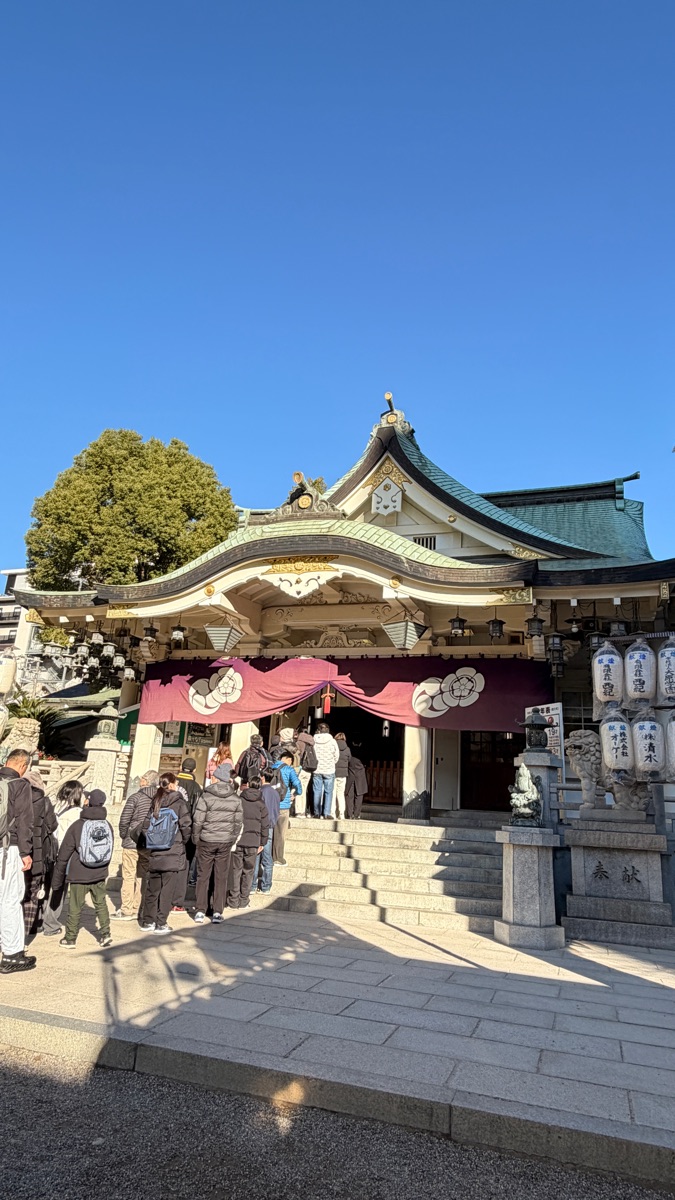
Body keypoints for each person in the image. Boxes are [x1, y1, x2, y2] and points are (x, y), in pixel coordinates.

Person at [51, 788, 114, 948]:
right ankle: (105, 934)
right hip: (99, 871)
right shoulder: (106, 825)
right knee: (101, 903)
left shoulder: (78, 825)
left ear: (89, 801)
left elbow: (64, 853)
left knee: (75, 906)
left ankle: (70, 938)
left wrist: (57, 879)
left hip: (79, 872)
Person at [139, 773, 191, 934]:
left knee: (152, 888)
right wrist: (183, 840)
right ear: (173, 784)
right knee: (167, 889)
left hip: (155, 851)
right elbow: (186, 825)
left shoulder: (156, 801)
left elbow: (145, 826)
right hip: (173, 851)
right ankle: (161, 923)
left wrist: (152, 841)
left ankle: (148, 921)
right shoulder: (179, 802)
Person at [0, 748, 36, 973]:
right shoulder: (20, 785)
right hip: (8, 848)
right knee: (10, 899)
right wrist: (26, 852)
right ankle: (12, 954)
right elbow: (25, 822)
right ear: (23, 766)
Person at [192, 765, 243, 924]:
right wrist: (232, 839)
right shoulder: (235, 798)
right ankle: (217, 911)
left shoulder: (206, 796)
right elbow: (238, 823)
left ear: (216, 778)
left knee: (203, 875)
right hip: (225, 841)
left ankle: (200, 910)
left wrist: (196, 838)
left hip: (206, 839)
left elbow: (198, 820)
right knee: (221, 877)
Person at [112, 769, 159, 921]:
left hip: (131, 842)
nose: (140, 780)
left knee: (128, 876)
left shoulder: (136, 797)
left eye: (143, 778)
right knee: (141, 876)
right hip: (148, 842)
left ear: (146, 781)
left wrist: (124, 835)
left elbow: (125, 820)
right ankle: (137, 906)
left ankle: (126, 909)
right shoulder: (160, 799)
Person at [42, 779, 84, 937]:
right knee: (59, 889)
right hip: (64, 854)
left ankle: (40, 919)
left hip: (49, 851)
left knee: (46, 886)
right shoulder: (77, 813)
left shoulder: (54, 805)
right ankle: (51, 924)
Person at [22, 771, 57, 938]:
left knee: (13, 895)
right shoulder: (45, 802)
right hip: (38, 856)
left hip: (17, 855)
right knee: (32, 896)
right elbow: (53, 825)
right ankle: (25, 934)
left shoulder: (16, 797)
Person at [227, 776, 269, 910]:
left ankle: (233, 900)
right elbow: (265, 825)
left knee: (236, 870)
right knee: (248, 871)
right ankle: (244, 900)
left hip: (238, 840)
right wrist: (263, 841)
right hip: (253, 841)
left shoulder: (239, 800)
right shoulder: (261, 804)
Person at [174, 758, 203, 912]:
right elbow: (198, 812)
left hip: (169, 831)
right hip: (188, 830)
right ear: (193, 770)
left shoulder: (171, 783)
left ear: (181, 767)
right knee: (185, 865)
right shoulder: (197, 788)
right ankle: (178, 901)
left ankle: (164, 897)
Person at [252, 769, 280, 894]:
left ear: (262, 777)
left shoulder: (260, 792)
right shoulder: (275, 793)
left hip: (259, 826)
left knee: (256, 856)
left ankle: (252, 885)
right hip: (270, 826)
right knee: (268, 859)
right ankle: (266, 886)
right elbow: (276, 811)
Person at [272, 751, 302, 865]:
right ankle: (278, 857)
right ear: (289, 760)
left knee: (270, 832)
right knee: (280, 832)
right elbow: (298, 784)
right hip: (283, 804)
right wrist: (295, 794)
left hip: (270, 804)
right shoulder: (289, 770)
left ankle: (267, 857)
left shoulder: (271, 767)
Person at [312, 723, 340, 819]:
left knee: (317, 791)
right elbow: (336, 755)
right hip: (329, 769)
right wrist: (332, 762)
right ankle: (327, 813)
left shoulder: (314, 740)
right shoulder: (332, 741)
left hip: (317, 769)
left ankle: (316, 812)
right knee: (328, 792)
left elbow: (312, 753)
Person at [295, 723, 316, 818]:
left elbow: (297, 756)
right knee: (304, 790)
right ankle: (304, 810)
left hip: (301, 768)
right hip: (309, 769)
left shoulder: (299, 742)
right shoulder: (311, 743)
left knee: (298, 790)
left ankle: (299, 811)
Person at [345, 751, 369, 819]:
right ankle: (356, 814)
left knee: (349, 793)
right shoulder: (364, 748)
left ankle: (349, 814)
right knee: (359, 793)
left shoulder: (349, 747)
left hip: (350, 768)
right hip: (360, 769)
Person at [334, 733, 351, 820]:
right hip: (343, 774)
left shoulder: (333, 746)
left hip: (334, 773)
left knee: (333, 794)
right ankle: (341, 813)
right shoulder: (347, 749)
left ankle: (332, 812)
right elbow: (350, 760)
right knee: (340, 794)